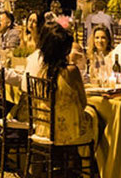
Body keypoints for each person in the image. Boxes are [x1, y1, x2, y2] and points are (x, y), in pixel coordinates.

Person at [34, 25, 95, 170]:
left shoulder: (41, 71)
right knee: (97, 121)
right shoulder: (71, 71)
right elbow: (83, 102)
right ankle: (90, 174)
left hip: (44, 128)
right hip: (67, 132)